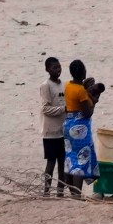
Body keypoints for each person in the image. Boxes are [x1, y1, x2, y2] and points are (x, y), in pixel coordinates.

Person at [60, 59, 105, 197]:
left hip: (67, 124)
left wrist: (86, 89)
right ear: (83, 73)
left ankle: (72, 193)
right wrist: (94, 101)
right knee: (81, 161)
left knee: (70, 159)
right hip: (80, 129)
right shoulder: (81, 91)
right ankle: (77, 195)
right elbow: (87, 112)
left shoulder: (67, 85)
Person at [38, 57, 67, 196]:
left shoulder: (63, 85)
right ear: (47, 70)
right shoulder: (46, 86)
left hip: (62, 130)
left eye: (59, 67)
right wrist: (62, 109)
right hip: (50, 131)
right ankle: (46, 191)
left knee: (63, 161)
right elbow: (45, 109)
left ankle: (60, 191)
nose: (58, 70)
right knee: (51, 162)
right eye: (54, 68)